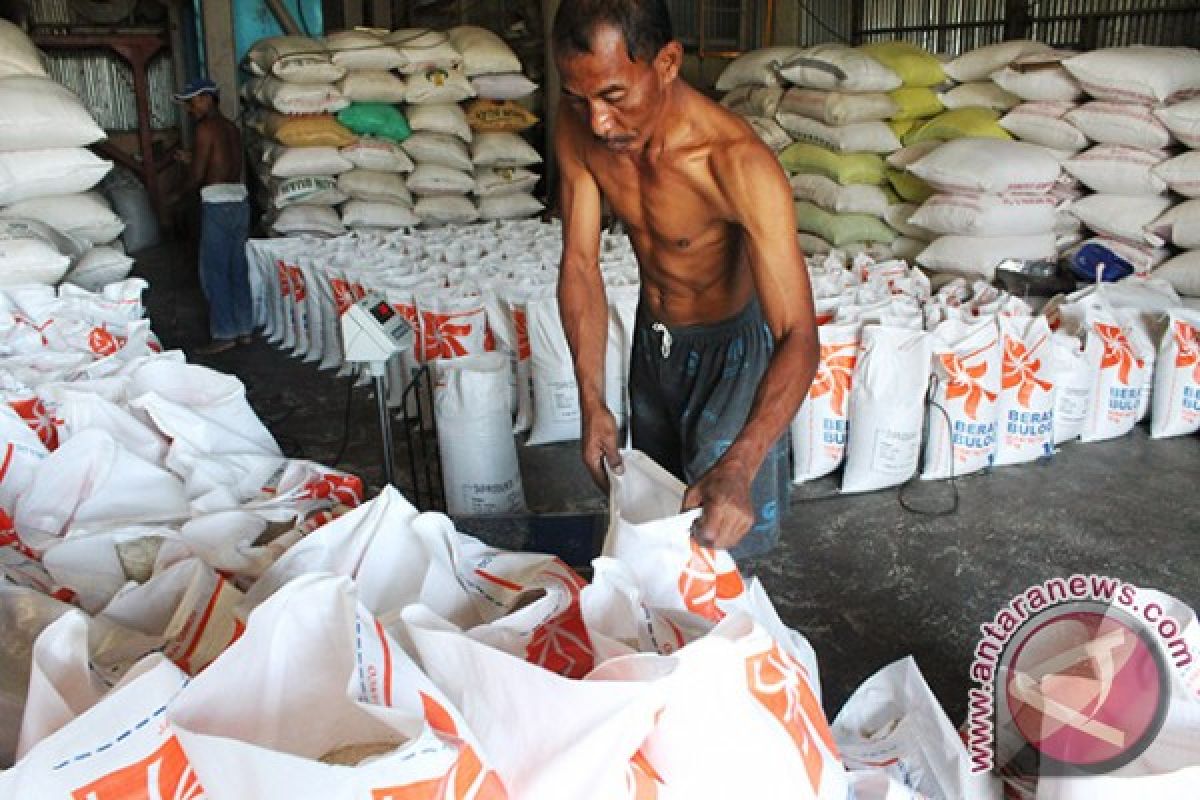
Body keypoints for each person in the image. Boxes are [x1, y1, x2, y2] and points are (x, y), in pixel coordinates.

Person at [551, 0, 819, 561]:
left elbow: (798, 331)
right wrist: (592, 399)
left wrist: (743, 461)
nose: (598, 121)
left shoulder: (737, 165)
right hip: (656, 347)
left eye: (614, 97)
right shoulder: (579, 129)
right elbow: (580, 264)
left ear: (668, 62)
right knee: (660, 523)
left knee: (718, 533)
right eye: (580, 98)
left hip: (733, 359)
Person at [174, 77, 254, 355]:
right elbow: (225, 164)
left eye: (193, 102)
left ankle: (224, 333)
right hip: (238, 201)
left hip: (217, 205)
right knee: (237, 269)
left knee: (215, 272)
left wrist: (178, 195)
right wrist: (194, 158)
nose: (189, 109)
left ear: (208, 98)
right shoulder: (231, 128)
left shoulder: (205, 129)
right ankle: (244, 329)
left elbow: (198, 176)